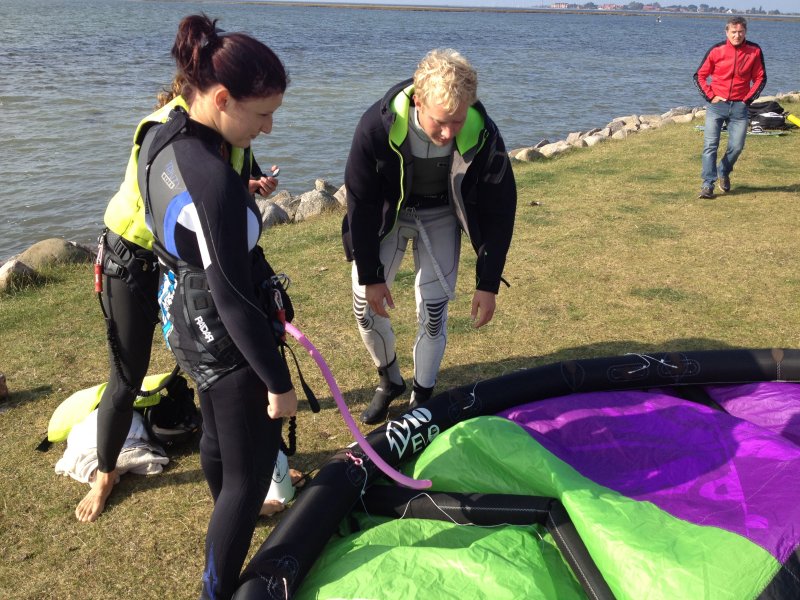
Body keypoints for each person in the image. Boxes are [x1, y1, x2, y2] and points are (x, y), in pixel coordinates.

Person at [75, 74, 282, 524]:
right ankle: (106, 473)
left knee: (206, 370)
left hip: (180, 261)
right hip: (130, 257)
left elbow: (224, 184)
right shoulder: (164, 129)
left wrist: (250, 187)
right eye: (260, 113)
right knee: (126, 376)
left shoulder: (231, 133)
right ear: (213, 98)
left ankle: (232, 491)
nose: (265, 125)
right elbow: (176, 190)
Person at [139, 14, 297, 600]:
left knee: (215, 436)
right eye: (261, 115)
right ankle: (215, 588)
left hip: (179, 312)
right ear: (223, 98)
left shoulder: (164, 133)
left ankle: (222, 518)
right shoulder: (216, 181)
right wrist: (277, 382)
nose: (269, 128)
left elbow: (180, 228)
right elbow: (232, 296)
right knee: (251, 473)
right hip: (221, 330)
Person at [342, 48, 517, 425]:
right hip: (389, 216)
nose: (448, 132)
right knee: (363, 306)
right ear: (418, 100)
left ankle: (421, 397)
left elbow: (501, 207)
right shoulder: (375, 126)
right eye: (440, 122)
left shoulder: (483, 133)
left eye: (458, 121)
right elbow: (361, 204)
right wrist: (371, 275)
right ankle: (389, 380)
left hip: (440, 215)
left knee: (434, 314)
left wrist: (488, 282)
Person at [693, 16, 766, 199]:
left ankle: (723, 171)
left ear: (745, 32)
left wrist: (747, 100)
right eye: (733, 32)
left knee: (737, 146)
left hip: (740, 107)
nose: (737, 35)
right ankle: (707, 185)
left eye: (740, 32)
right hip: (717, 106)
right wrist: (710, 96)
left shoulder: (754, 51)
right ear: (727, 32)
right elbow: (699, 75)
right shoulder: (717, 50)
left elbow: (761, 78)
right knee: (710, 145)